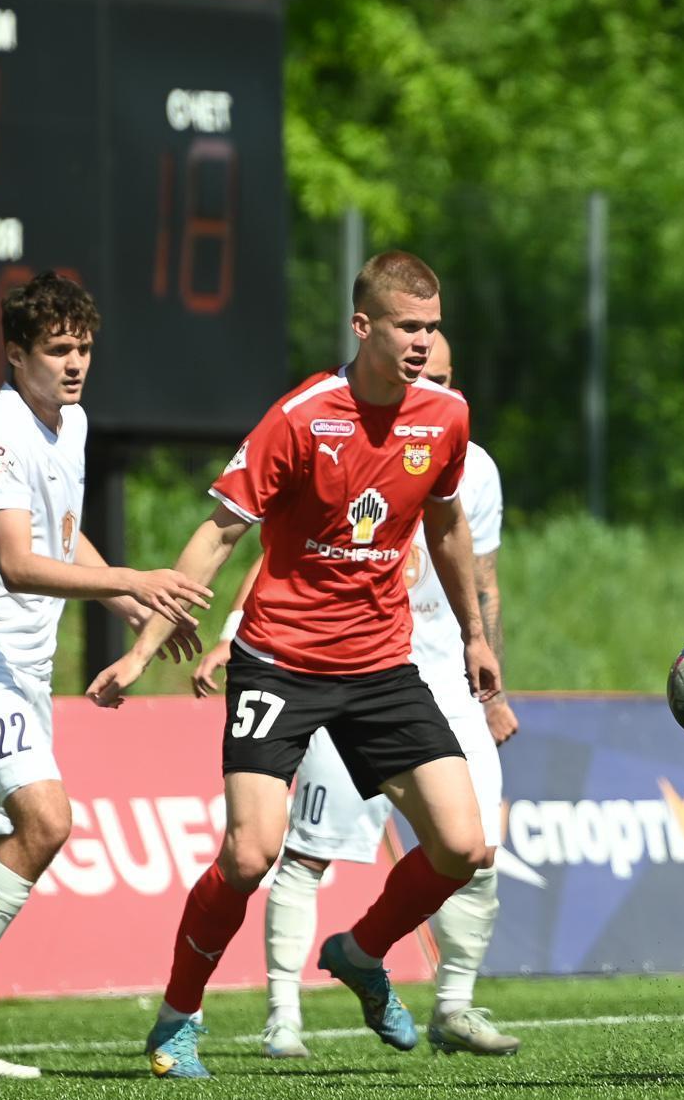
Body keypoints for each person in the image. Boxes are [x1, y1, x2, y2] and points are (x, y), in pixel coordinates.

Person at [88, 250, 501, 1081]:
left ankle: (361, 951)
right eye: (407, 327)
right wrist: (141, 648)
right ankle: (177, 1017)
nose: (422, 342)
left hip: (381, 666)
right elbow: (219, 533)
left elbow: (448, 526)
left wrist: (474, 633)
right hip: (279, 662)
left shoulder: (444, 417)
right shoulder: (302, 417)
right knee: (250, 855)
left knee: (464, 846)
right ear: (362, 326)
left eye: (431, 327)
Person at [0, 271, 210, 1081]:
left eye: (83, 347)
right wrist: (134, 577)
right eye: (56, 349)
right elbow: (16, 562)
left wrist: (132, 604)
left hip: (20, 667)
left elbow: (61, 535)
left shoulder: (69, 422)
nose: (74, 363)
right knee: (47, 822)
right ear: (16, 354)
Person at [190, 331, 521, 1059]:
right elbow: (288, 550)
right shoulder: (328, 425)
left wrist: (490, 669)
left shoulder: (471, 460)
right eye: (421, 369)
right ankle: (283, 1013)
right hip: (345, 665)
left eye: (443, 377)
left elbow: (483, 574)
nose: (429, 387)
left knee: (475, 848)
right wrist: (232, 630)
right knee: (302, 849)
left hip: (443, 679)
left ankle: (450, 1003)